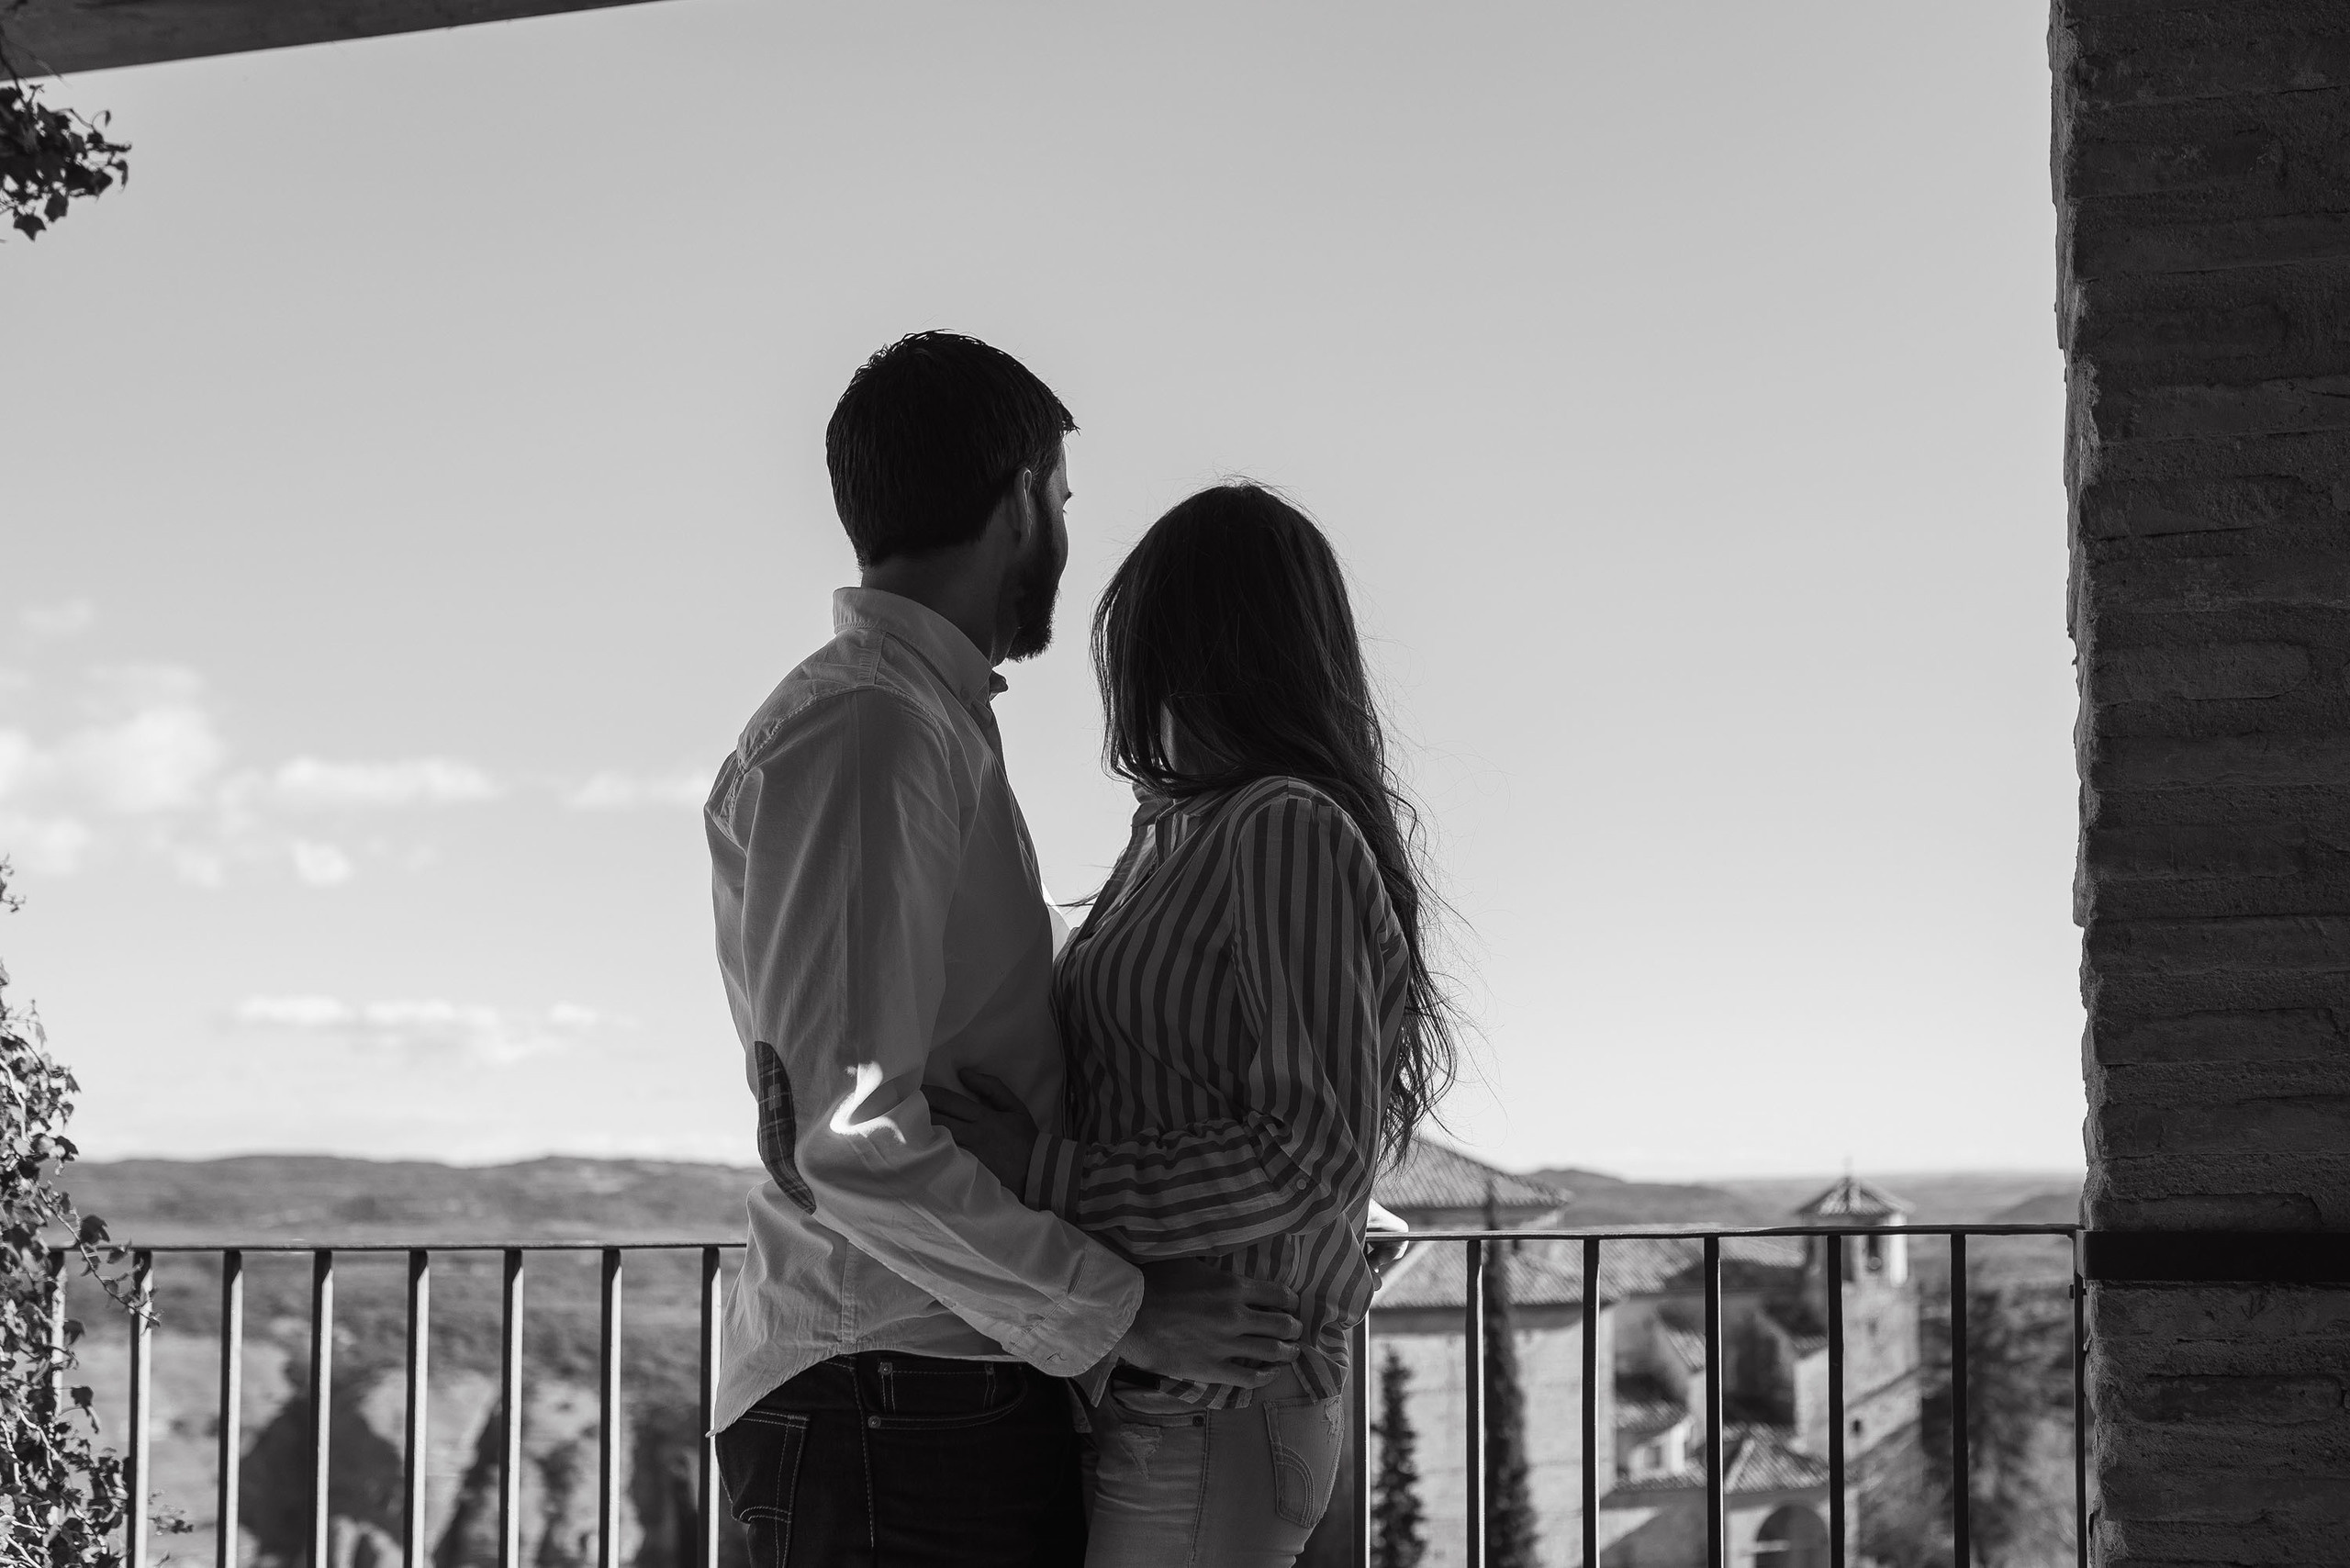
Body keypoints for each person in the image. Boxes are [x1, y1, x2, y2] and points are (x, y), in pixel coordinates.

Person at [705, 336, 1305, 1568]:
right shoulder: (875, 732)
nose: (1066, 536)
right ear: (1026, 495)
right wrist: (1127, 1312)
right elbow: (852, 1138)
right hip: (898, 1398)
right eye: (1066, 502)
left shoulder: (909, 727)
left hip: (924, 1387)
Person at [933, 482, 1458, 1568]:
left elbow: (1313, 1148)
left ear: (1199, 644)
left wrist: (1049, 1176)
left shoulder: (1283, 827)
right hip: (1158, 1394)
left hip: (1219, 1405)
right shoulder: (1170, 835)